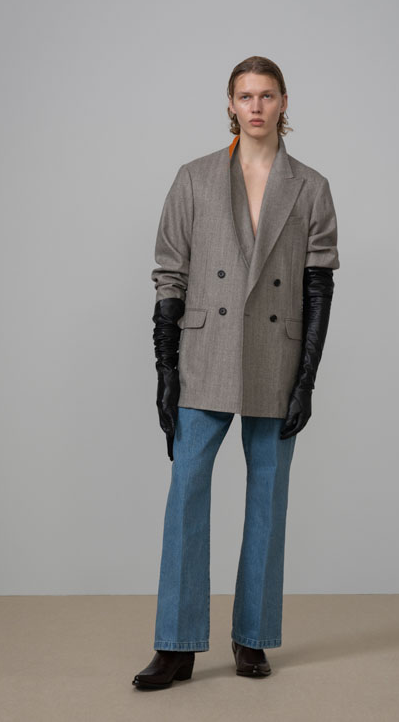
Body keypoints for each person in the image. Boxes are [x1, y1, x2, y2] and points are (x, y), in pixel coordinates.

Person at [132, 55, 339, 690]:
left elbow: (319, 287)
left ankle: (252, 637)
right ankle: (176, 645)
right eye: (245, 96)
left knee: (268, 499)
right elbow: (170, 273)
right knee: (186, 494)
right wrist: (165, 368)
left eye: (267, 95)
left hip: (276, 356)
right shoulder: (194, 178)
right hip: (205, 356)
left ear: (284, 103)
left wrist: (306, 378)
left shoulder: (310, 186)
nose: (255, 106)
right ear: (230, 103)